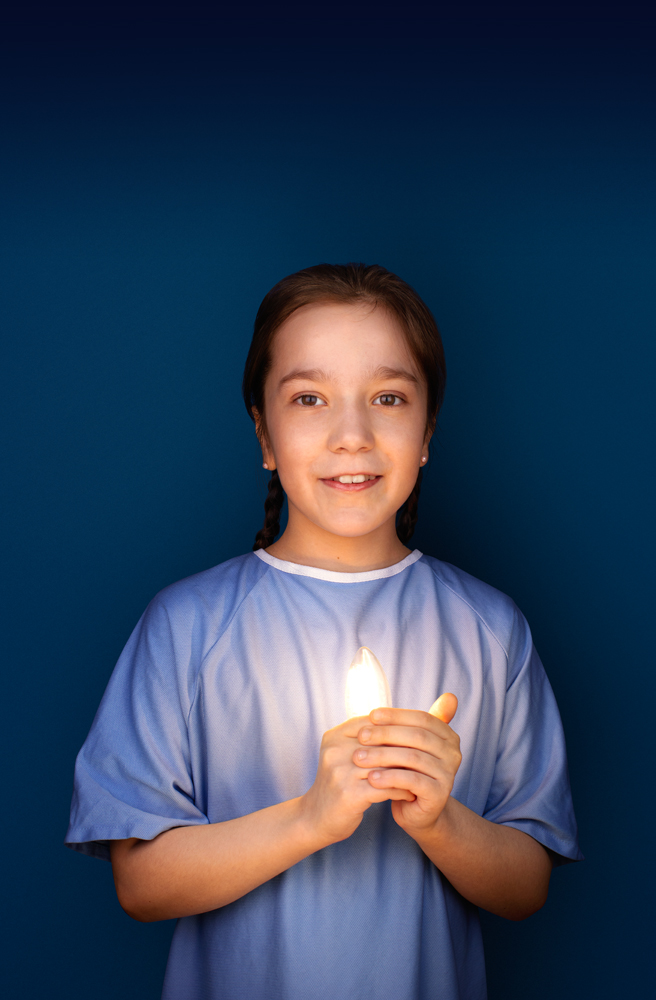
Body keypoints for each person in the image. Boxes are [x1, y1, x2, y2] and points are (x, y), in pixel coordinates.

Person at [66, 263, 582, 1000]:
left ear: (428, 431)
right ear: (264, 433)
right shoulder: (186, 625)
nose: (352, 435)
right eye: (310, 398)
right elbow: (142, 885)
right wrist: (312, 816)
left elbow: (526, 885)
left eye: (388, 398)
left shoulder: (491, 630)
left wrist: (438, 820)